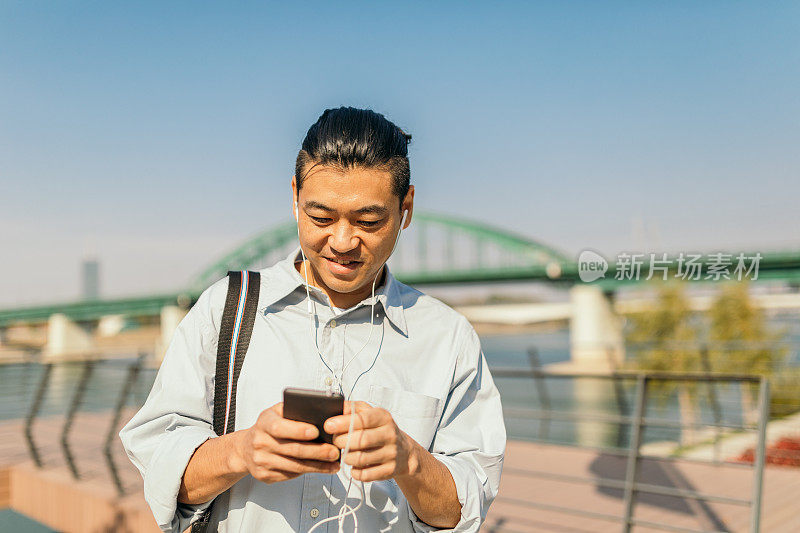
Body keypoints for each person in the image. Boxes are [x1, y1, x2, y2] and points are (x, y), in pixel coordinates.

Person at [119, 106, 506, 532]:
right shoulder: (225, 310)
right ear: (294, 197)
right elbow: (162, 476)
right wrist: (243, 451)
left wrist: (407, 459)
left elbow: (462, 509)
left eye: (369, 220)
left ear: (406, 208)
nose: (342, 242)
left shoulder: (449, 339)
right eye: (320, 217)